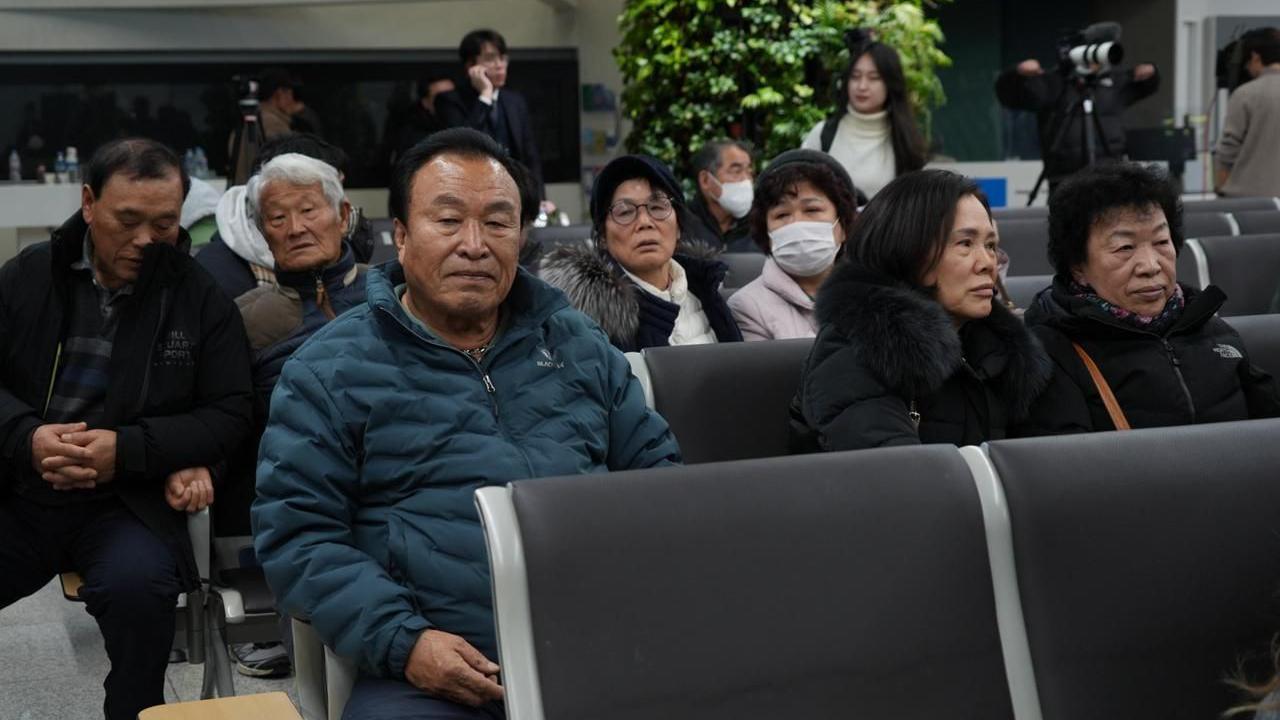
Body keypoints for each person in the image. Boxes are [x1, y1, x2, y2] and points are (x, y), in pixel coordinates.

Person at [250, 128, 680, 719]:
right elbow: (299, 537)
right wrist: (405, 642)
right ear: (400, 236)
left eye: (498, 223)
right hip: (437, 662)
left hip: (599, 638)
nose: (475, 245)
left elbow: (659, 476)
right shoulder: (329, 370)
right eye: (448, 221)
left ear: (523, 236)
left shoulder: (574, 341)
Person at [0, 138, 253, 720]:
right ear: (89, 203)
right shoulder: (30, 275)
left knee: (142, 595)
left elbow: (230, 411)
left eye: (164, 224)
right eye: (128, 220)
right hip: (21, 486)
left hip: (126, 502)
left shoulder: (199, 299)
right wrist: (26, 438)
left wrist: (130, 450)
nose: (145, 240)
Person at [790, 169, 1051, 452]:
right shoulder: (853, 350)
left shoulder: (995, 347)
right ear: (909, 250)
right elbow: (902, 480)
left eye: (990, 245)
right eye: (965, 243)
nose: (988, 262)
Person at [1015, 162, 1280, 434]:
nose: (1150, 265)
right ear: (1078, 267)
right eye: (1125, 248)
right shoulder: (1052, 353)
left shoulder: (1211, 329)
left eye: (1161, 242)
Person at [540, 154, 743, 351]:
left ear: (679, 226)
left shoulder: (706, 291)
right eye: (625, 212)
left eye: (657, 207)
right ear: (602, 236)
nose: (645, 223)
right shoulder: (585, 320)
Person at [197, 133, 376, 300]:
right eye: (279, 216)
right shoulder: (223, 283)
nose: (296, 228)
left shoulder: (379, 292)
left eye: (308, 210)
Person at [995, 23, 1159, 191]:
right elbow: (1008, 96)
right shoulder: (1052, 84)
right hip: (1065, 178)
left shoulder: (1113, 83)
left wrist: (1152, 73)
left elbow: (1147, 85)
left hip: (1111, 175)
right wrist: (1016, 74)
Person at [728, 150, 858, 341]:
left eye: (812, 209)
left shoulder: (875, 294)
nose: (796, 223)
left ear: (843, 225)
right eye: (781, 215)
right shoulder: (747, 306)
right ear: (767, 233)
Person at [801, 31, 926, 200]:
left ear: (890, 84)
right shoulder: (823, 134)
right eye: (855, 77)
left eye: (873, 78)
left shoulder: (906, 140)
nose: (862, 86)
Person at [437, 29, 544, 200]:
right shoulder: (449, 100)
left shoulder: (515, 102)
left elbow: (530, 156)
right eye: (490, 58)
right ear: (471, 65)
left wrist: (539, 199)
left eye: (502, 58)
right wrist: (485, 95)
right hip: (471, 192)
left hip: (514, 192)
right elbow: (461, 143)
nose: (499, 64)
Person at [1216, 27, 1280, 198]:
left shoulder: (1246, 94)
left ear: (1255, 57)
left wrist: (1221, 190)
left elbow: (1229, 150)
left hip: (1250, 201)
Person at [686, 139, 757, 252]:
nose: (746, 180)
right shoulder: (682, 227)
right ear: (705, 180)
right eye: (736, 171)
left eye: (749, 172)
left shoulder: (759, 226)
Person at [393, 74, 457, 164]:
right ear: (426, 102)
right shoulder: (414, 134)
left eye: (453, 96)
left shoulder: (467, 120)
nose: (450, 103)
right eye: (442, 98)